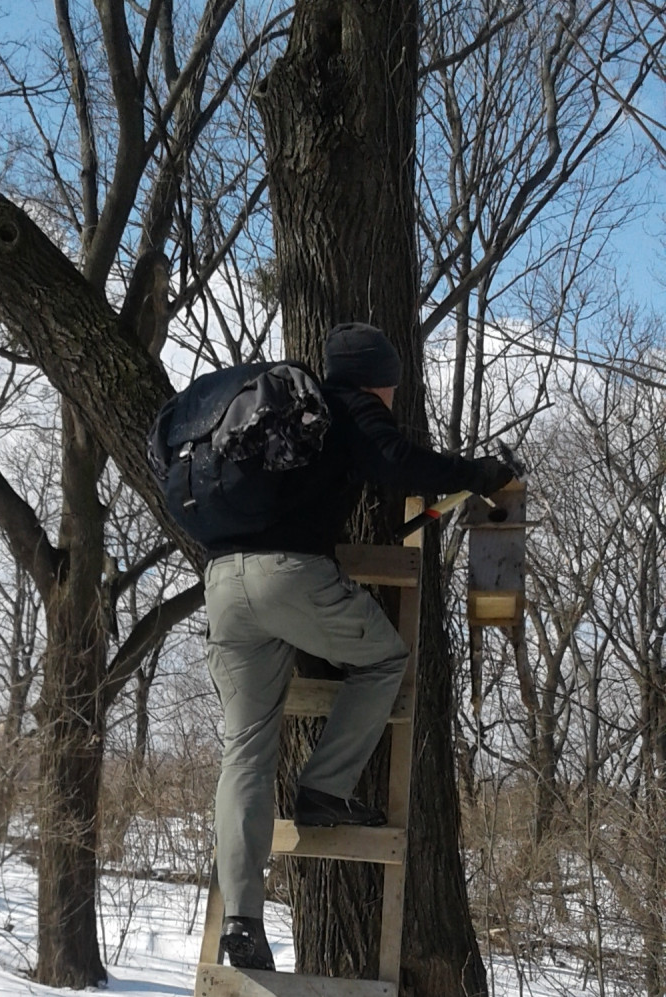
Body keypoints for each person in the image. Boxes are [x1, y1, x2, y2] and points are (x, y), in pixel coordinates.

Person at [204, 323, 515, 971]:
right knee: (384, 659)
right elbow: (398, 464)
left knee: (246, 752)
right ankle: (324, 787)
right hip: (289, 575)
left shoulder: (285, 412)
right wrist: (477, 471)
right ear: (381, 378)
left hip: (224, 580)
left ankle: (241, 921)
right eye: (393, 385)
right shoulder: (350, 407)